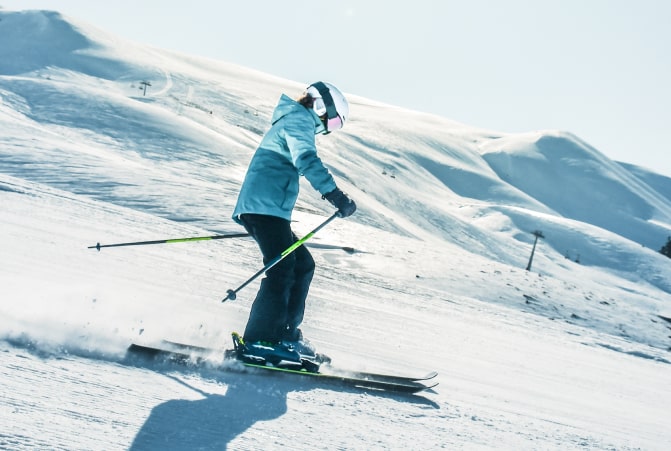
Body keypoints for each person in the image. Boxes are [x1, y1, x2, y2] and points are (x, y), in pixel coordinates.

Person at [231, 81, 356, 364]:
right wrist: (334, 194)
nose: (329, 129)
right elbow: (306, 159)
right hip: (264, 207)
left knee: (302, 264)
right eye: (334, 122)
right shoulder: (299, 119)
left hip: (270, 208)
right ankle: (260, 340)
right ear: (323, 108)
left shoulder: (295, 119)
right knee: (283, 268)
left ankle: (286, 335)